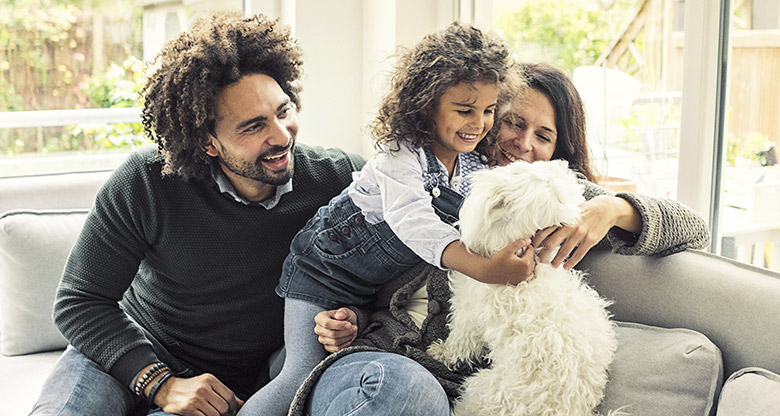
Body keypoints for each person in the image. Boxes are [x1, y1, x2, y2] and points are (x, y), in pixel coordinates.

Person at [294, 62, 711, 415]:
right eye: (513, 122)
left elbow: (696, 227)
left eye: (543, 136)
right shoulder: (431, 174)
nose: (523, 144)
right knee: (396, 387)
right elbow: (372, 276)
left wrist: (616, 209)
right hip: (377, 357)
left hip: (453, 384)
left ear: (557, 149)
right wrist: (348, 319)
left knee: (411, 393)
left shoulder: (552, 196)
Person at [29, 12, 373, 416]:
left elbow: (387, 285)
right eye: (253, 127)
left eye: (283, 111)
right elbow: (79, 301)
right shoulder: (146, 182)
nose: (281, 136)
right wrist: (160, 384)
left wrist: (354, 319)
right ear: (207, 143)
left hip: (249, 379)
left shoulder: (341, 180)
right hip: (135, 350)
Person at [238, 22, 526, 416]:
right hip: (323, 271)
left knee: (313, 354)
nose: (478, 123)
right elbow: (414, 222)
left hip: (367, 293)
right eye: (464, 110)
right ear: (427, 105)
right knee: (298, 374)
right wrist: (484, 268)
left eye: (489, 110)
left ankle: (282, 355)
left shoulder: (473, 162)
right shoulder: (401, 155)